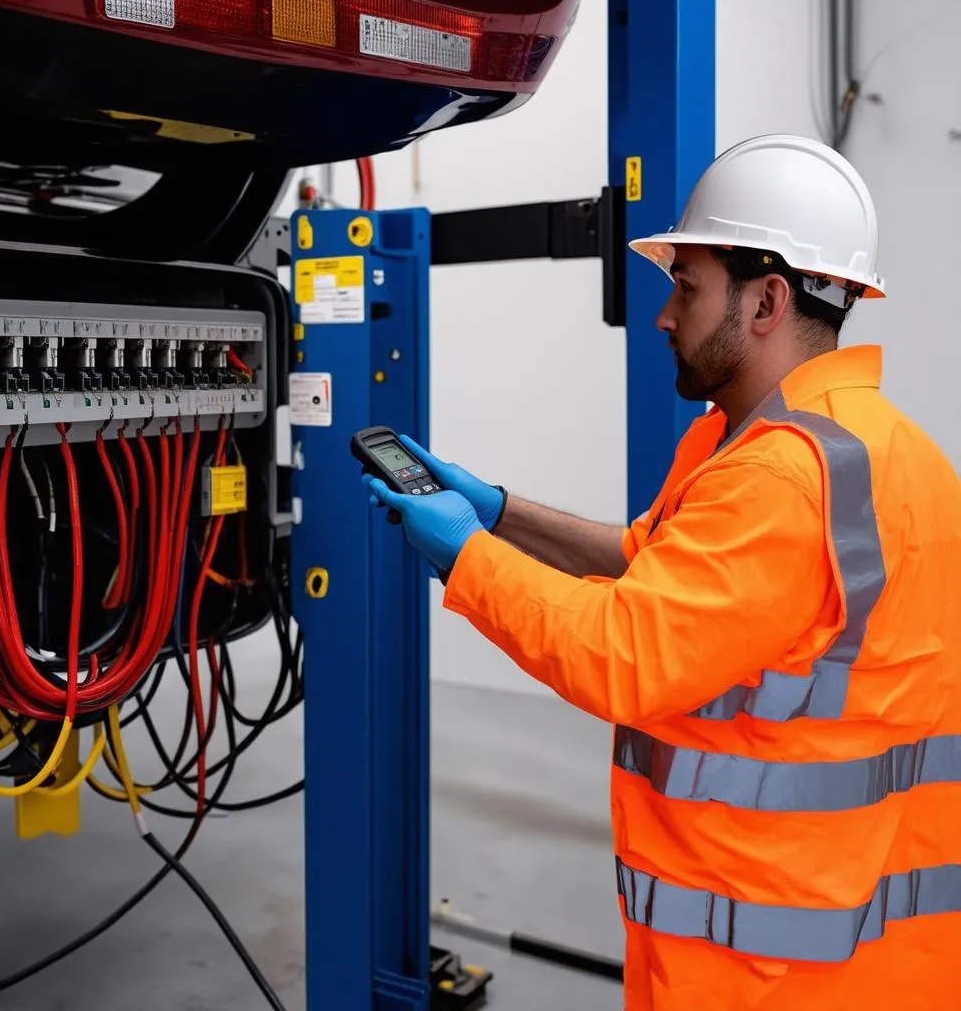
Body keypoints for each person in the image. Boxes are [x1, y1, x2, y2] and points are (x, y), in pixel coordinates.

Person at [361, 134, 961, 1011]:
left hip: (766, 961)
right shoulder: (873, 449)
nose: (664, 316)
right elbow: (652, 565)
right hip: (863, 939)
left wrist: (464, 557)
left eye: (687, 288)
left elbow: (622, 654)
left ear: (766, 301)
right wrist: (496, 509)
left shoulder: (782, 478)